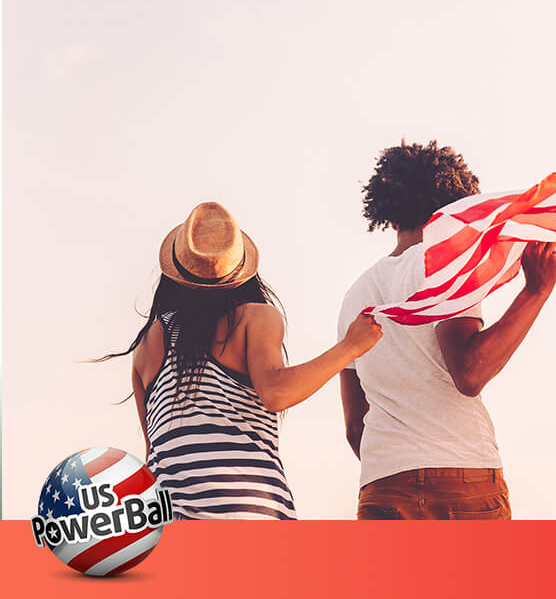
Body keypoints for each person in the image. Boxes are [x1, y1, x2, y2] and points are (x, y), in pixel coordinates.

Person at [102, 201, 382, 519]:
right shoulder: (254, 318)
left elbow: (156, 451)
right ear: (241, 270)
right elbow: (276, 393)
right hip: (248, 516)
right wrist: (350, 347)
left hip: (169, 524)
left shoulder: (147, 344)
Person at [338, 141, 556, 520]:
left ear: (389, 215)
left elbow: (355, 428)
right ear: (454, 209)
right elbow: (470, 373)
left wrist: (400, 466)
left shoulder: (355, 296)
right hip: (461, 476)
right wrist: (535, 291)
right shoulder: (444, 268)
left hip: (382, 485)